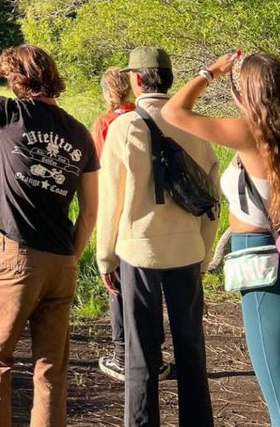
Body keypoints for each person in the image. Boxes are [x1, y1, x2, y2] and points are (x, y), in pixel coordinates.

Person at [0, 44, 99, 427]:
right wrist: (70, 259)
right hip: (62, 263)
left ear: (17, 79)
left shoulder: (12, 113)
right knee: (51, 371)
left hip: (18, 258)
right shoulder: (80, 134)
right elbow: (89, 213)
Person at [162, 52, 280, 427]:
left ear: (246, 94)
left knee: (278, 390)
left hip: (261, 262)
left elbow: (174, 113)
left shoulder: (250, 133)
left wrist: (210, 73)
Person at [96, 46, 218, 427]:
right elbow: (212, 198)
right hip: (186, 250)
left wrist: (105, 258)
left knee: (141, 354)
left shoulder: (123, 127)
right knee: (191, 350)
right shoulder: (194, 125)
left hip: (138, 253)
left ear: (135, 80)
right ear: (168, 79)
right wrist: (203, 253)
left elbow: (111, 201)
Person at [92, 68, 173, 383]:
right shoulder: (151, 114)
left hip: (123, 217)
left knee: (119, 289)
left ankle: (123, 356)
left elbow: (101, 175)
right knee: (152, 289)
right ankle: (155, 356)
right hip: (157, 213)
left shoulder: (107, 123)